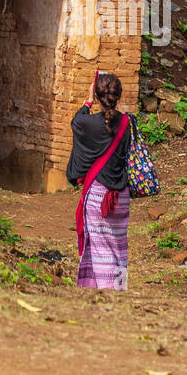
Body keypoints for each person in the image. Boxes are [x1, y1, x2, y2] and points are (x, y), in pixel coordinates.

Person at [66, 71, 136, 290]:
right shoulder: (127, 123)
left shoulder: (89, 124)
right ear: (118, 95)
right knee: (118, 247)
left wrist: (88, 101)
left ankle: (107, 292)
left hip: (98, 195)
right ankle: (118, 287)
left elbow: (76, 122)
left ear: (97, 96)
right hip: (121, 197)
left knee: (100, 248)